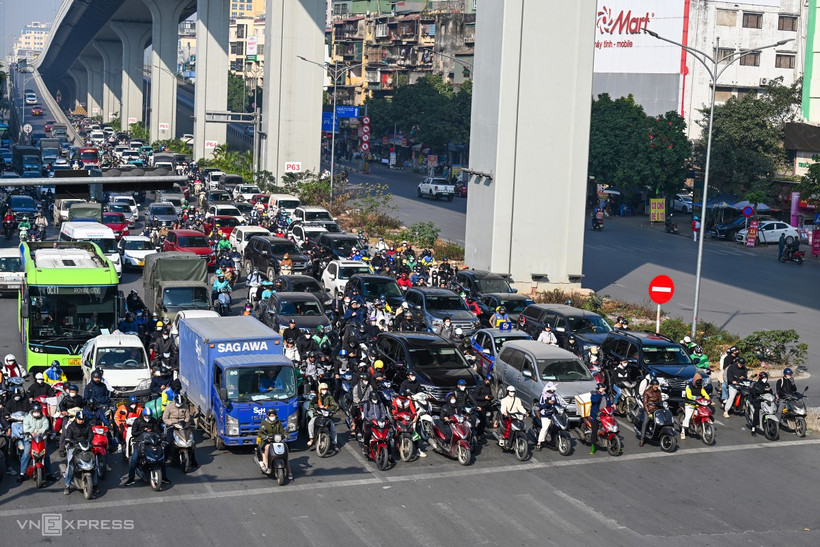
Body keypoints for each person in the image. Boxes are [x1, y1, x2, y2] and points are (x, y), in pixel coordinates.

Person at [125, 408, 170, 486]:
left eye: (149, 416)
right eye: (147, 416)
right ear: (143, 415)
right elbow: (134, 433)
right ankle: (131, 478)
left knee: (161, 459)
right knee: (134, 459)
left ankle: (164, 477)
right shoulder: (137, 421)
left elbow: (157, 431)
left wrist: (157, 435)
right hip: (140, 442)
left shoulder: (153, 420)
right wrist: (143, 431)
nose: (148, 417)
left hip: (152, 442)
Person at [18, 402, 57, 482]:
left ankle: (49, 473)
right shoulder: (27, 418)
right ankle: (22, 473)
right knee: (26, 454)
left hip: (41, 439)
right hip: (30, 439)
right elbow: (26, 429)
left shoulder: (44, 418)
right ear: (32, 411)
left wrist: (38, 431)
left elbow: (46, 427)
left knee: (45, 455)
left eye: (38, 412)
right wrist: (36, 431)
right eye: (35, 412)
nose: (36, 413)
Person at [62, 410, 97, 496]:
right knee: (71, 466)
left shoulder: (87, 426)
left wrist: (87, 442)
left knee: (94, 465)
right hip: (74, 447)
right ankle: (67, 485)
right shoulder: (71, 426)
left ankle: (95, 484)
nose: (81, 421)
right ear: (76, 418)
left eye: (83, 419)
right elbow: (68, 437)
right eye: (80, 419)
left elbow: (91, 435)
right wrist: (73, 442)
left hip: (85, 446)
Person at [162, 394, 200, 469]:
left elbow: (187, 417)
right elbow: (165, 418)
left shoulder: (185, 406)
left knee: (191, 442)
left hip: (183, 426)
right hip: (172, 426)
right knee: (169, 442)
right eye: (178, 403)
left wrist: (185, 423)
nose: (179, 405)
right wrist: (171, 423)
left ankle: (194, 461)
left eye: (181, 403)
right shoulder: (169, 407)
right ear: (175, 401)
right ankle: (165, 459)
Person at [257, 408, 293, 479]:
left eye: (274, 415)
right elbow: (259, 433)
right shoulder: (264, 423)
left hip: (276, 440)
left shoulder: (278, 422)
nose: (272, 417)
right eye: (271, 415)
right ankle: (267, 465)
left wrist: (285, 434)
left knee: (285, 449)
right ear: (268, 415)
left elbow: (282, 431)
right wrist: (265, 436)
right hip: (267, 441)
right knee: (267, 447)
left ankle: (289, 471)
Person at [392, 389, 426, 457]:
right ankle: (395, 444)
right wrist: (396, 416)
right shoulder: (395, 401)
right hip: (399, 419)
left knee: (414, 434)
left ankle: (418, 450)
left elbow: (413, 410)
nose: (403, 400)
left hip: (408, 420)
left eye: (404, 399)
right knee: (395, 432)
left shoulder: (409, 401)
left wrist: (415, 417)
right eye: (401, 399)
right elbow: (394, 411)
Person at [306, 383, 339, 454]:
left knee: (333, 429)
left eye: (325, 389)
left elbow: (335, 406)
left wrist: (329, 409)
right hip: (317, 414)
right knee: (310, 424)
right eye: (323, 389)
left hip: (327, 416)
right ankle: (311, 439)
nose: (324, 391)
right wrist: (317, 406)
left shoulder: (330, 397)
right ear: (320, 390)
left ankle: (335, 444)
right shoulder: (316, 397)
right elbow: (311, 404)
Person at [681, 374, 710, 439]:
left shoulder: (700, 386)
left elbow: (704, 393)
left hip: (698, 404)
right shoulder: (688, 386)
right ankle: (683, 431)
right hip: (689, 404)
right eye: (697, 383)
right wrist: (697, 397)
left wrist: (708, 399)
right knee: (687, 417)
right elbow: (689, 396)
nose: (698, 385)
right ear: (694, 381)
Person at [361, 391, 389, 457]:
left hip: (379, 422)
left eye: (376, 399)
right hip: (370, 423)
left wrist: (382, 419)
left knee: (387, 436)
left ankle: (389, 454)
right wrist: (369, 421)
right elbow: (365, 415)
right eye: (374, 399)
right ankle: (365, 446)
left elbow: (383, 412)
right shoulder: (366, 405)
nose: (375, 401)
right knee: (368, 432)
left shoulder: (380, 403)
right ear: (370, 398)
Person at [536, 382, 560, 450]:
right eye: (549, 391)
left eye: (552, 391)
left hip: (553, 414)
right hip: (545, 414)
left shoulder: (554, 396)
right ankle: (539, 442)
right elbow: (541, 405)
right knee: (545, 428)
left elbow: (558, 403)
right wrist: (547, 403)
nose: (551, 392)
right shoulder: (542, 396)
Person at [638, 379, 662, 447]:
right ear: (652, 386)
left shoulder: (658, 392)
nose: (656, 387)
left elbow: (660, 400)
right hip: (649, 409)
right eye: (655, 386)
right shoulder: (647, 392)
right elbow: (645, 403)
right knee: (645, 422)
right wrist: (648, 411)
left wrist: (661, 404)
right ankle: (642, 438)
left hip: (657, 409)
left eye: (657, 386)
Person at [748, 372, 773, 437]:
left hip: (766, 401)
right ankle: (753, 429)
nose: (765, 379)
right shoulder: (756, 385)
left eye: (766, 378)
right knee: (757, 412)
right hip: (757, 401)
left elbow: (771, 392)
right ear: (760, 378)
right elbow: (753, 392)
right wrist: (762, 391)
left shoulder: (767, 384)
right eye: (763, 378)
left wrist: (770, 393)